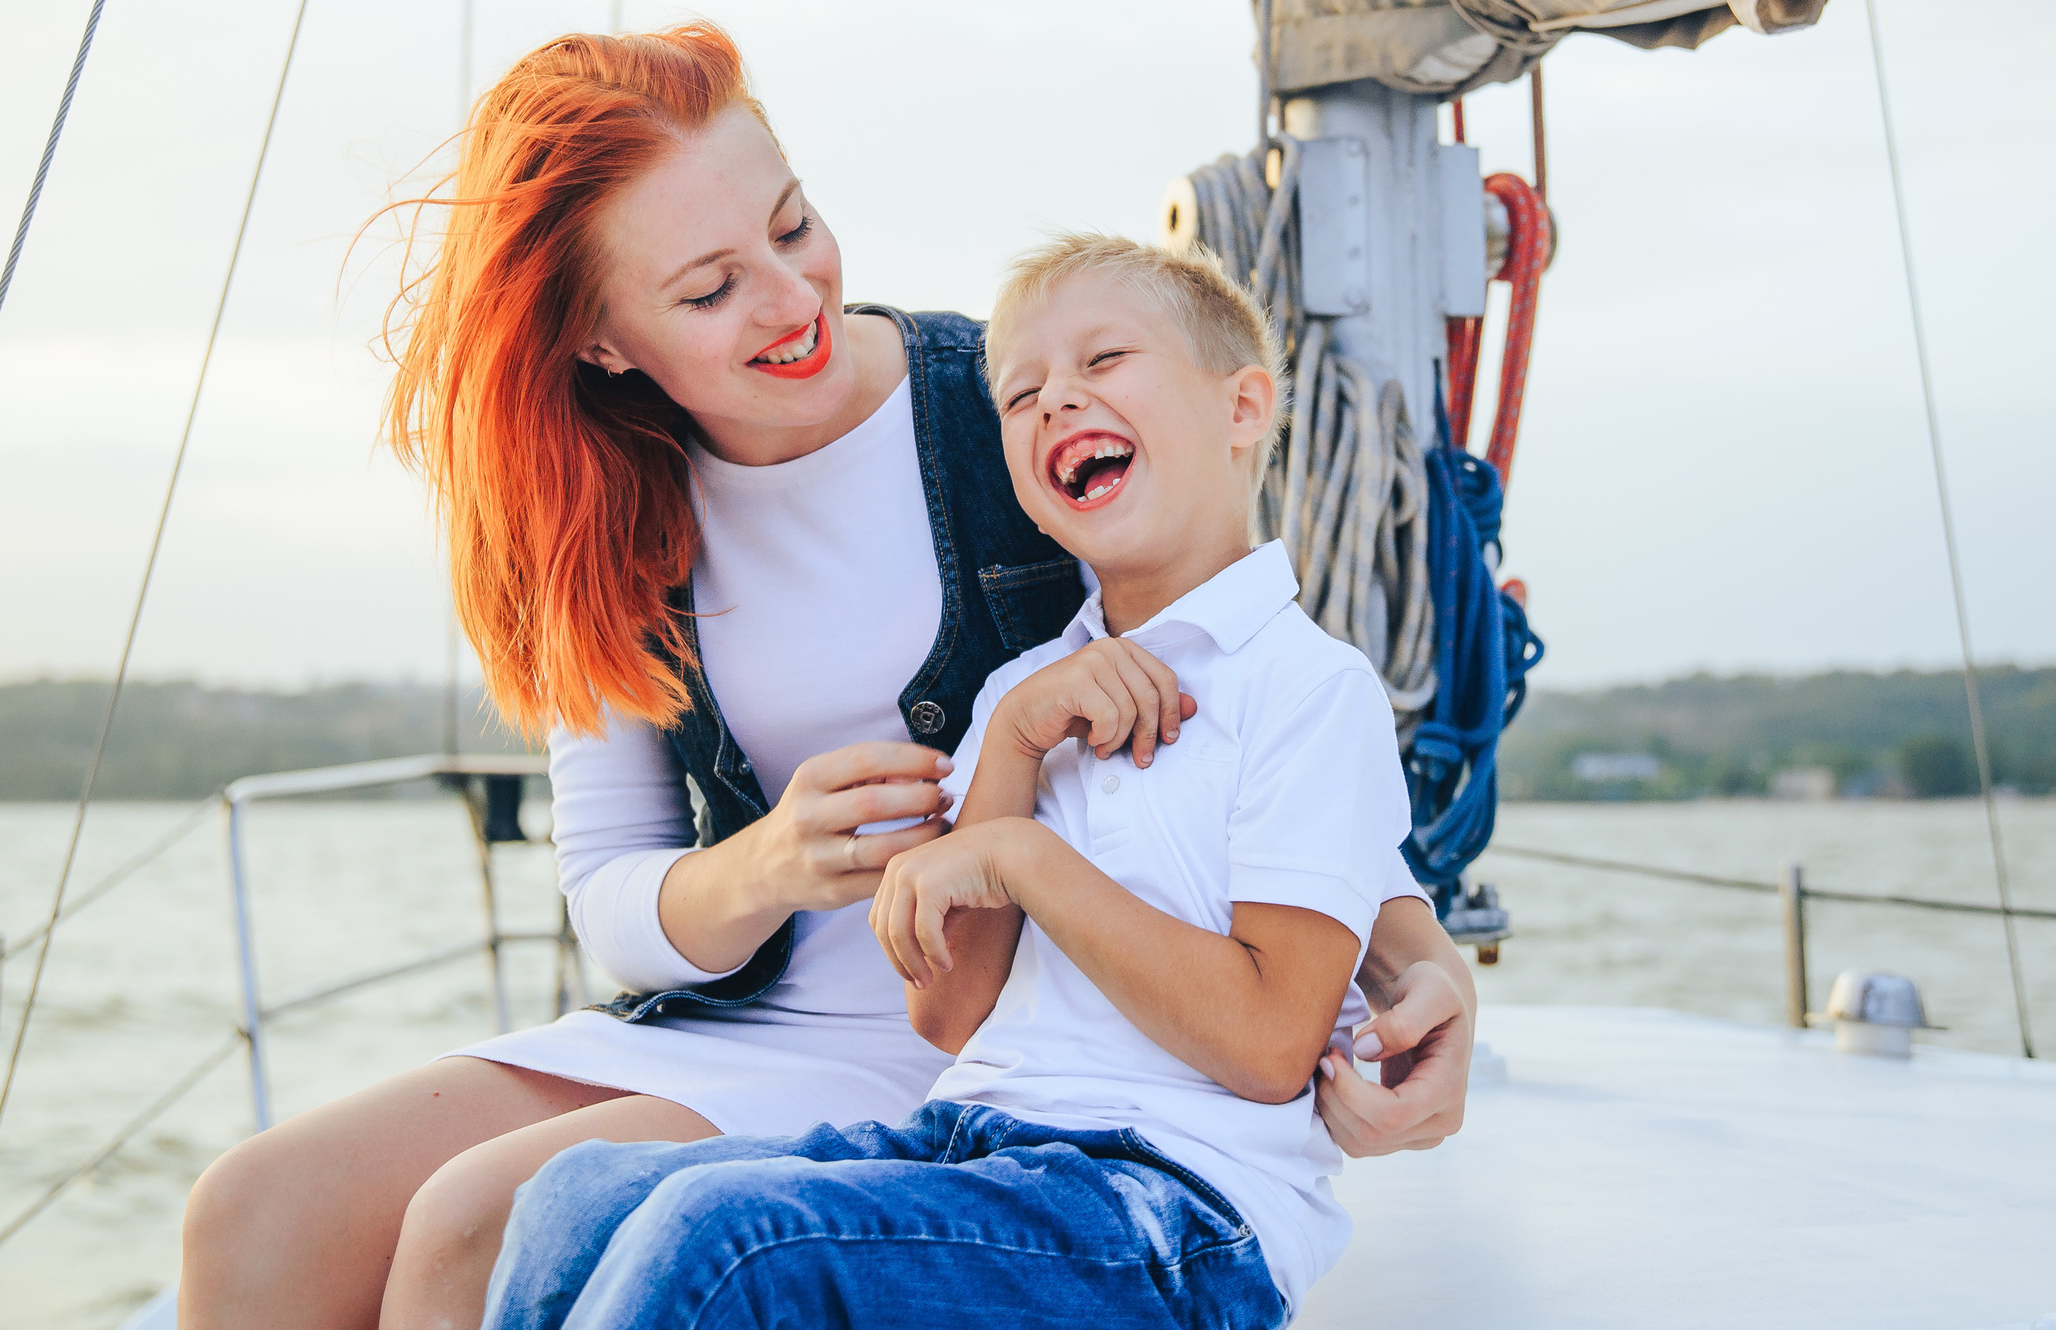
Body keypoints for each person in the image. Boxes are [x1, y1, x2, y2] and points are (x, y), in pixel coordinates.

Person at [177, 26, 1474, 1330]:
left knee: (475, 1218)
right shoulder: (592, 518)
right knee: (252, 1210)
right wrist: (774, 859)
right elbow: (612, 903)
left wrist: (1424, 965)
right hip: (725, 1025)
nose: (792, 300)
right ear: (602, 341)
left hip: (969, 1042)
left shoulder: (1020, 412)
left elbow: (1252, 695)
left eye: (794, 225)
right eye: (708, 290)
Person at [475, 235, 1456, 1330]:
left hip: (1177, 1206)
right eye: (1021, 392)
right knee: (575, 1196)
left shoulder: (1310, 689)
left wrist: (1024, 857)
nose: (1055, 401)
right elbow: (948, 1010)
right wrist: (1012, 753)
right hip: (976, 1139)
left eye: (1104, 360)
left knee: (727, 1239)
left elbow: (1274, 1045)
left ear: (1242, 409)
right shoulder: (1024, 695)